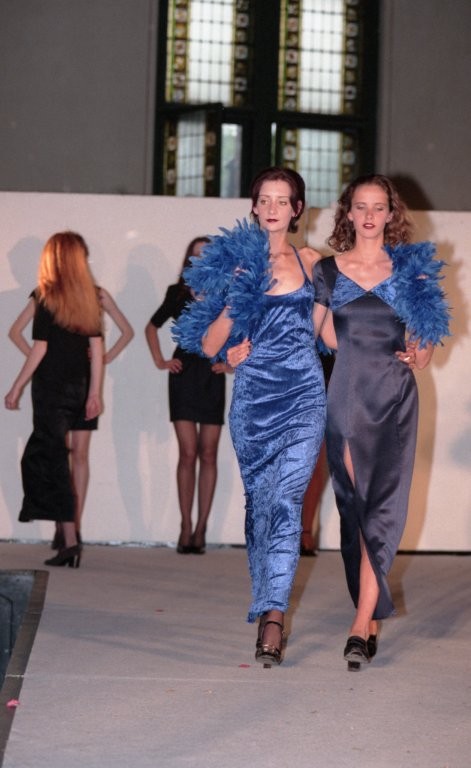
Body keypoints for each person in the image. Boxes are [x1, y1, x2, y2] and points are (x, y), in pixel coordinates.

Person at [174, 168, 327, 666]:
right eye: (266, 199)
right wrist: (233, 338)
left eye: (284, 200)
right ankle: (265, 598)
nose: (274, 207)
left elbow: (326, 334)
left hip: (304, 395)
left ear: (297, 209)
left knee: (286, 501)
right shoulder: (235, 264)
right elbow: (208, 344)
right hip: (255, 401)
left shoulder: (312, 262)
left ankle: (274, 618)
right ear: (255, 207)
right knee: (261, 505)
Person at [313, 174, 450, 669]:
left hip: (394, 396)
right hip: (347, 394)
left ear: (391, 214)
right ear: (348, 213)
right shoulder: (327, 271)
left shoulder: (412, 270)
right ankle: (369, 614)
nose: (369, 215)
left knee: (383, 507)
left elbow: (426, 343)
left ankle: (359, 624)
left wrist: (419, 351)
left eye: (378, 207)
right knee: (356, 506)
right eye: (361, 206)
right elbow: (320, 336)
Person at [8, 256, 134, 549]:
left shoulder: (95, 294)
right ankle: (64, 525)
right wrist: (39, 360)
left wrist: (105, 357)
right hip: (56, 385)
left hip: (84, 383)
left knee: (79, 454)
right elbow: (15, 332)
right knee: (58, 455)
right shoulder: (44, 294)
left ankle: (72, 526)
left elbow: (126, 331)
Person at [4, 231, 105, 568]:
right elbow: (97, 350)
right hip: (80, 388)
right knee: (56, 460)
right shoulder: (88, 296)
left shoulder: (47, 295)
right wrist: (94, 393)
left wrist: (17, 386)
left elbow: (40, 348)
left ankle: (69, 539)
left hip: (52, 391)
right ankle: (68, 537)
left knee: (49, 462)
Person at [145, 237, 232, 555]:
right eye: (196, 255)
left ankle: (201, 528)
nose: (201, 259)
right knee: (188, 453)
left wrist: (231, 364)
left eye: (207, 254)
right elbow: (151, 327)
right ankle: (185, 525)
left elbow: (242, 332)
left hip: (212, 374)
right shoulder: (177, 292)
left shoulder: (226, 292)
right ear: (188, 260)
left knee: (208, 454)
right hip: (183, 375)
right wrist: (160, 361)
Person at [300, 352, 334, 556]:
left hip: (323, 381)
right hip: (287, 380)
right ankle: (284, 532)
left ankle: (306, 532)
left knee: (313, 463)